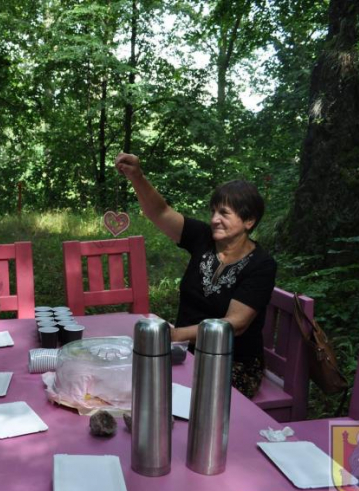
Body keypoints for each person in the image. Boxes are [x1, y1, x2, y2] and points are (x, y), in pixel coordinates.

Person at [115, 153, 277, 398]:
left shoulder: (261, 265)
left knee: (163, 394)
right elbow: (160, 212)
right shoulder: (202, 238)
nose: (214, 220)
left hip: (232, 363)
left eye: (224, 213)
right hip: (184, 353)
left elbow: (236, 324)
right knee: (127, 377)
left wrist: (176, 335)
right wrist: (136, 176)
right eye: (213, 211)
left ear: (249, 221)